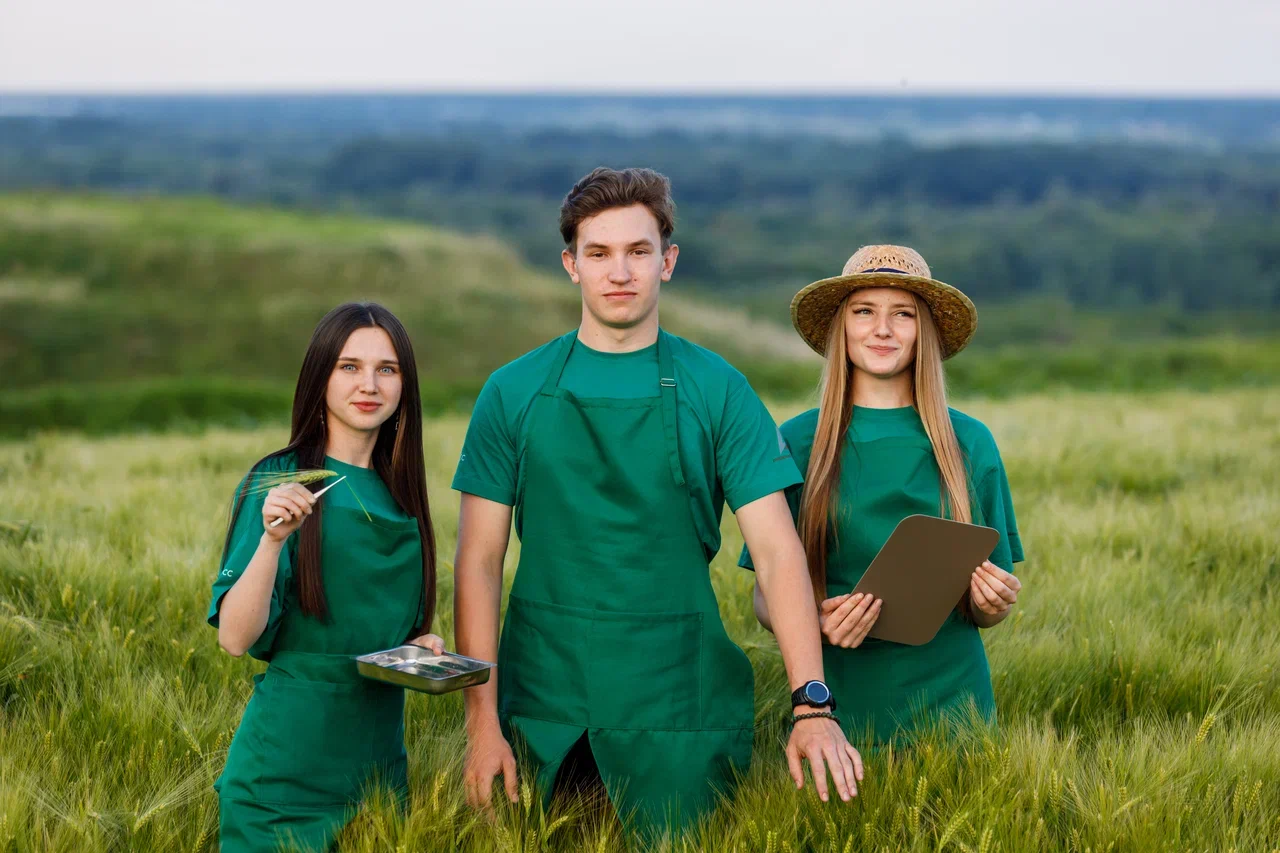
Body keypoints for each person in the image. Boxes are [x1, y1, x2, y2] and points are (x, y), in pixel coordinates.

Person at [452, 167, 863, 839]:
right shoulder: (512, 391)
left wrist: (812, 704)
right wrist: (481, 724)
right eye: (599, 253)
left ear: (667, 261)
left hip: (680, 704)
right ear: (570, 265)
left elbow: (777, 550)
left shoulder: (719, 389)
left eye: (639, 252)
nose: (620, 271)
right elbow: (478, 562)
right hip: (545, 706)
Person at [742, 245, 1025, 748]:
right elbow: (766, 593)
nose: (883, 329)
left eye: (903, 314)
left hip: (955, 708)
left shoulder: (970, 442)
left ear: (925, 334)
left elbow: (988, 603)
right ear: (841, 328)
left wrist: (994, 605)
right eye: (864, 311)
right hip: (834, 707)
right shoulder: (796, 442)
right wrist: (817, 616)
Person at [208, 302, 444, 852]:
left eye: (387, 369)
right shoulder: (281, 480)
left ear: (405, 384)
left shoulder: (402, 492)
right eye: (349, 366)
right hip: (283, 780)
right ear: (320, 376)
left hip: (377, 778)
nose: (369, 384)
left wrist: (415, 648)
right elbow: (235, 639)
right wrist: (272, 540)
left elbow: (376, 626)